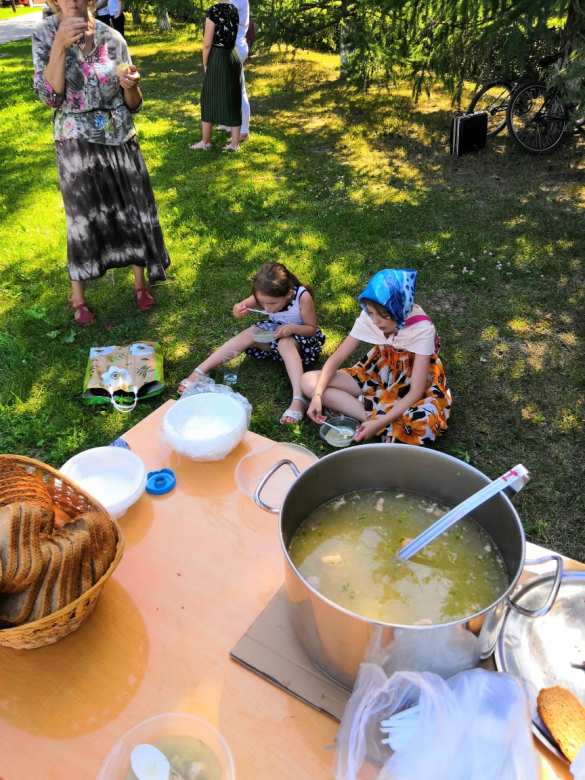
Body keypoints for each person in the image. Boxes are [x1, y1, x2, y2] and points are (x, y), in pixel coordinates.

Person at [32, 0, 170, 325]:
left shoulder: (113, 38)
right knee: (82, 218)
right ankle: (77, 297)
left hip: (120, 135)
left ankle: (140, 284)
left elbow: (134, 104)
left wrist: (131, 87)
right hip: (75, 140)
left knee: (133, 209)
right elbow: (50, 97)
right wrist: (60, 47)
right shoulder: (44, 34)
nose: (74, 1)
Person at [302, 268, 451, 445]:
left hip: (410, 384)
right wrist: (317, 396)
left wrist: (381, 421)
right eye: (371, 313)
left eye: (384, 316)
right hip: (377, 372)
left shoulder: (422, 329)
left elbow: (416, 391)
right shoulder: (371, 315)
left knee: (424, 422)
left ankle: (376, 418)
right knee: (308, 381)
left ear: (399, 311)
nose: (376, 321)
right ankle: (369, 418)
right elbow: (335, 359)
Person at [179, 262, 325, 424]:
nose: (267, 309)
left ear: (288, 294)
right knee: (250, 333)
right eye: (262, 303)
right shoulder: (263, 294)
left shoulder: (302, 297)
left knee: (285, 343)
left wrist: (291, 329)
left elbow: (311, 329)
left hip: (302, 342)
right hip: (277, 333)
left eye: (272, 304)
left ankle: (299, 399)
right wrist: (238, 309)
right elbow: (243, 305)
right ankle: (200, 371)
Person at [190, 0, 242, 152]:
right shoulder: (234, 9)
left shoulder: (214, 10)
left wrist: (205, 63)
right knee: (233, 97)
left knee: (208, 97)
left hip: (218, 58)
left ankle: (205, 142)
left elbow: (207, 43)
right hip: (233, 56)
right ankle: (234, 144)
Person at [218, 0, 250, 141]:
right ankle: (228, 122)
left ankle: (243, 130)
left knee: (238, 89)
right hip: (233, 46)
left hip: (234, 48)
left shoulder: (238, 1)